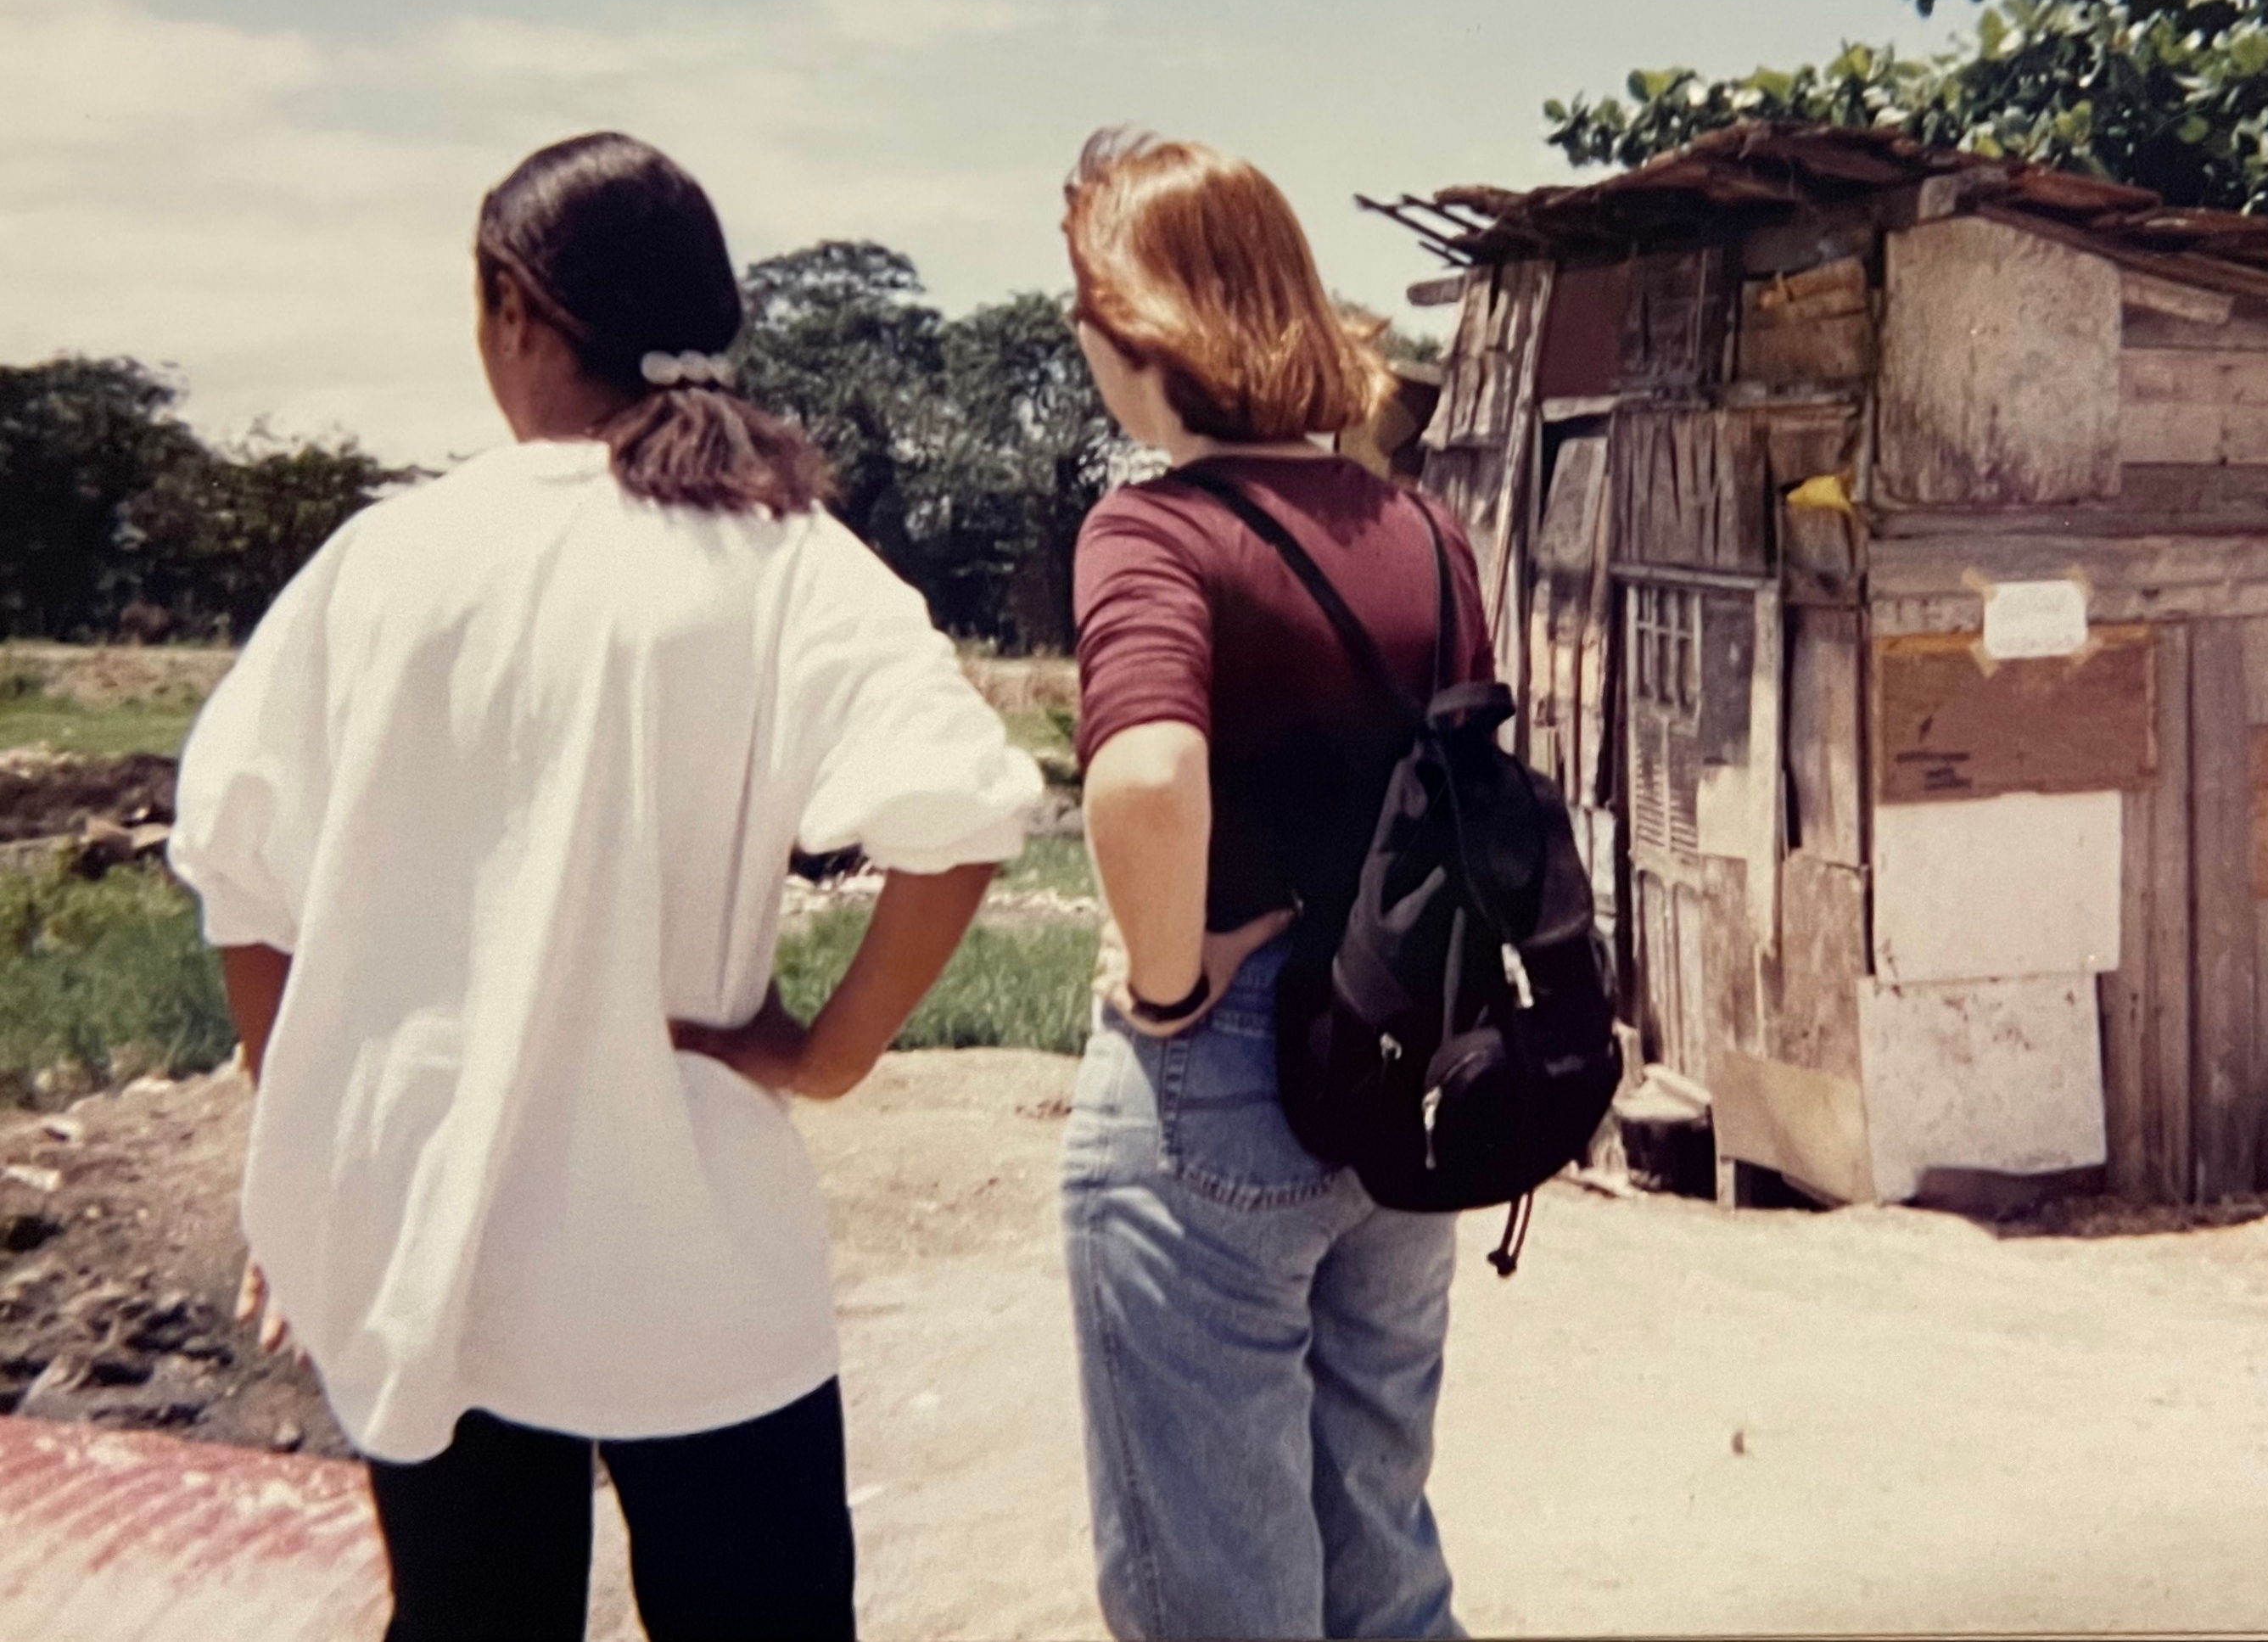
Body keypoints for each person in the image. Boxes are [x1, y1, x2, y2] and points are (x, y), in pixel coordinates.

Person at [169, 132, 1044, 1642]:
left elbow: (242, 875)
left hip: (435, 1254)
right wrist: (820, 1056)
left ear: (516, 311)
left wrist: (318, 1145)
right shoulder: (782, 555)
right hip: (696, 1266)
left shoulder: (384, 561)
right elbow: (961, 815)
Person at [1053, 128, 1492, 1640]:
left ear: (1137, 322)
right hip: (1398, 1071)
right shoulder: (1427, 536)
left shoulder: (1154, 526)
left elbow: (1146, 777)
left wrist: (1172, 976)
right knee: (1380, 1546)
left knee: (1218, 1590)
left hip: (1223, 1080)